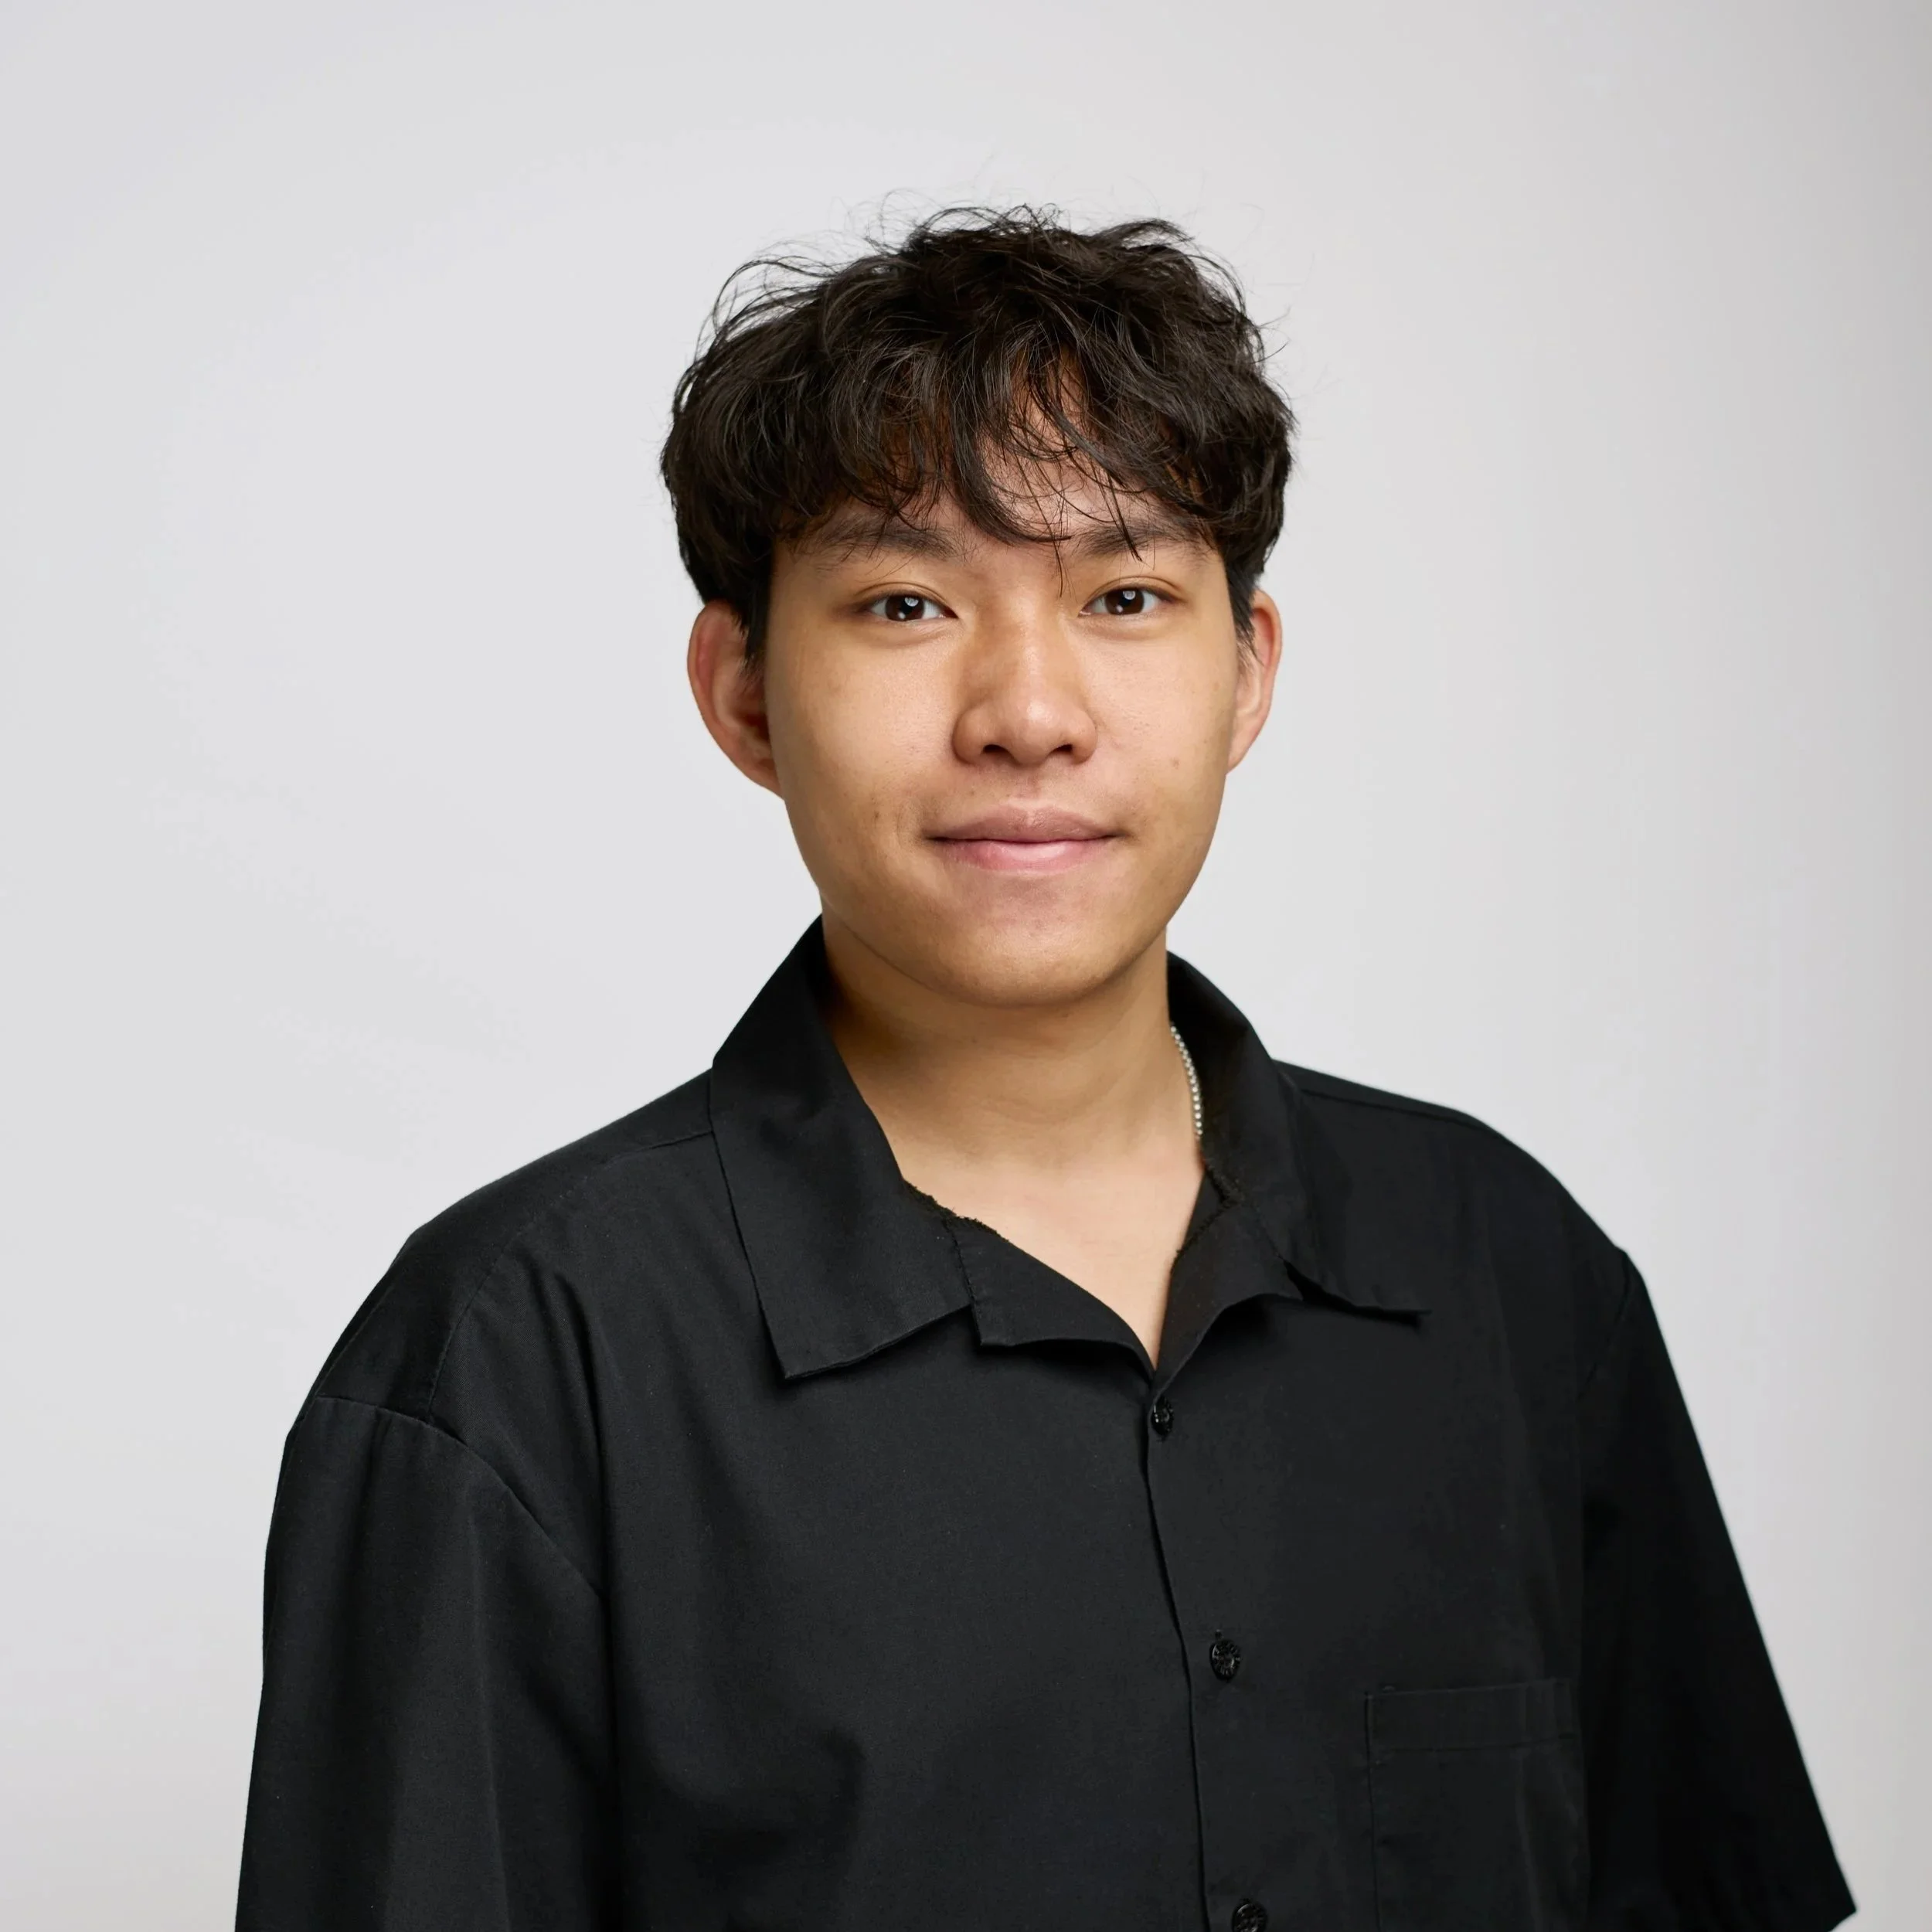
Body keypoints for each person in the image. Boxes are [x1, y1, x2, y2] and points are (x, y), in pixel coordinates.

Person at [235, 209, 1853, 1932]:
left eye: (1127, 594)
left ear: (1245, 673)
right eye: (906, 599)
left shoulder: (1503, 1273)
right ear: (744, 694)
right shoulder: (514, 1359)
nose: (1026, 709)